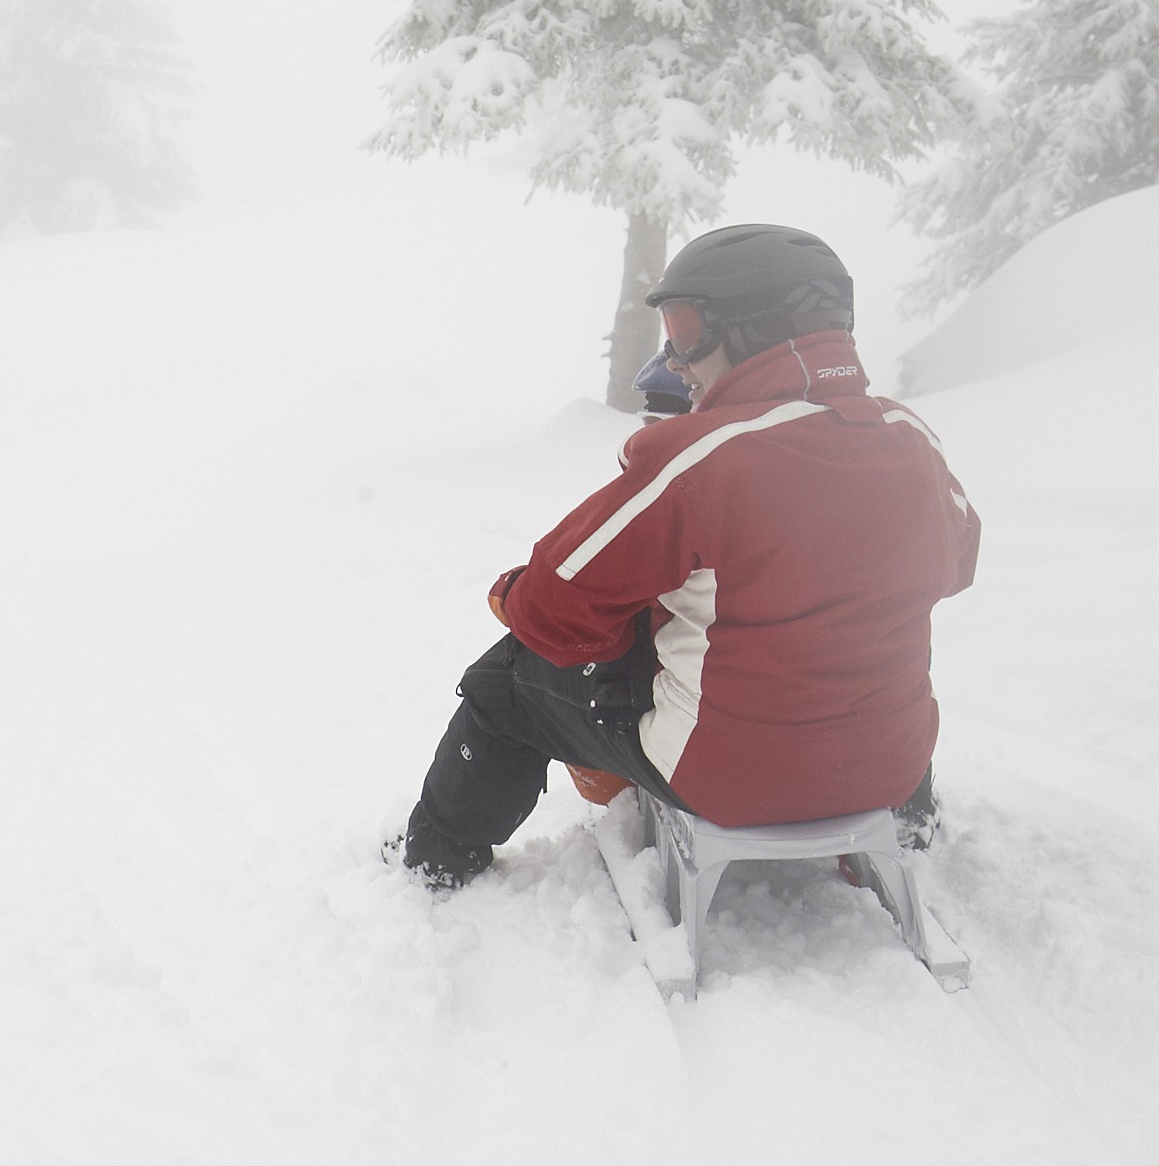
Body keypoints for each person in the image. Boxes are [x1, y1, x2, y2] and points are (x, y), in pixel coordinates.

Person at [402, 224, 980, 888]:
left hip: (727, 779)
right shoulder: (911, 441)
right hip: (889, 767)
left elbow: (551, 608)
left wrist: (513, 593)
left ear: (753, 329)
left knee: (506, 680)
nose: (675, 361)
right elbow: (958, 560)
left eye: (684, 330)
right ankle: (903, 828)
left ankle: (436, 859)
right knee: (860, 645)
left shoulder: (702, 457)